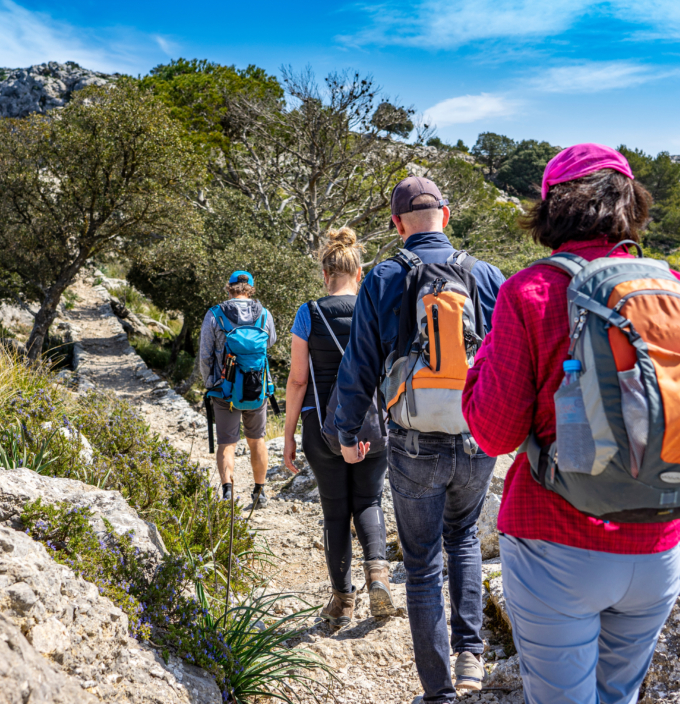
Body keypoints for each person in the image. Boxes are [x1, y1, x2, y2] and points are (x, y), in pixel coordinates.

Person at [462, 143, 680, 704]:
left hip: (555, 541)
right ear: (630, 204)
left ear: (551, 209)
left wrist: (479, 368)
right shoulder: (673, 288)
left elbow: (495, 432)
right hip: (658, 541)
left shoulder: (530, 292)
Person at [335, 176, 505, 702]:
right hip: (477, 434)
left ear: (397, 223)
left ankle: (438, 692)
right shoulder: (486, 275)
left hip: (412, 439)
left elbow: (359, 363)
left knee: (423, 561)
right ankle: (471, 657)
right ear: (446, 216)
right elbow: (510, 359)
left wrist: (347, 430)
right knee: (465, 539)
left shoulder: (384, 276)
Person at [282, 227, 394, 628]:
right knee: (369, 501)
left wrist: (288, 435)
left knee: (335, 513)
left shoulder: (309, 313)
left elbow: (297, 381)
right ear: (359, 273)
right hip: (371, 423)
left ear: (324, 273)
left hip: (320, 425)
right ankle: (378, 575)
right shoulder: (375, 309)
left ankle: (342, 602)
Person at [199, 270, 277, 508]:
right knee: (257, 440)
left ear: (229, 287)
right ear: (250, 288)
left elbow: (205, 354)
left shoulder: (214, 315)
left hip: (224, 389)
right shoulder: (264, 314)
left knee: (227, 443)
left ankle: (227, 493)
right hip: (257, 388)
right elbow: (270, 341)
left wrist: (210, 383)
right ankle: (259, 492)